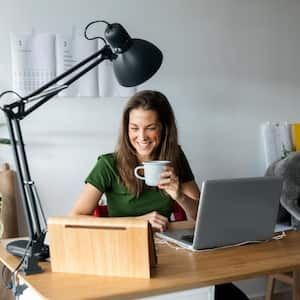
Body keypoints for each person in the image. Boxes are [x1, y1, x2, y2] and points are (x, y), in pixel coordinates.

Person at [70, 90, 249, 300]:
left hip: (168, 254)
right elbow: (75, 218)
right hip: (126, 256)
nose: (141, 137)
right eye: (134, 128)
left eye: (150, 128)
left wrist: (179, 195)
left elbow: (203, 217)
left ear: (164, 129)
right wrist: (138, 222)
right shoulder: (108, 164)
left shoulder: (175, 157)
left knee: (232, 297)